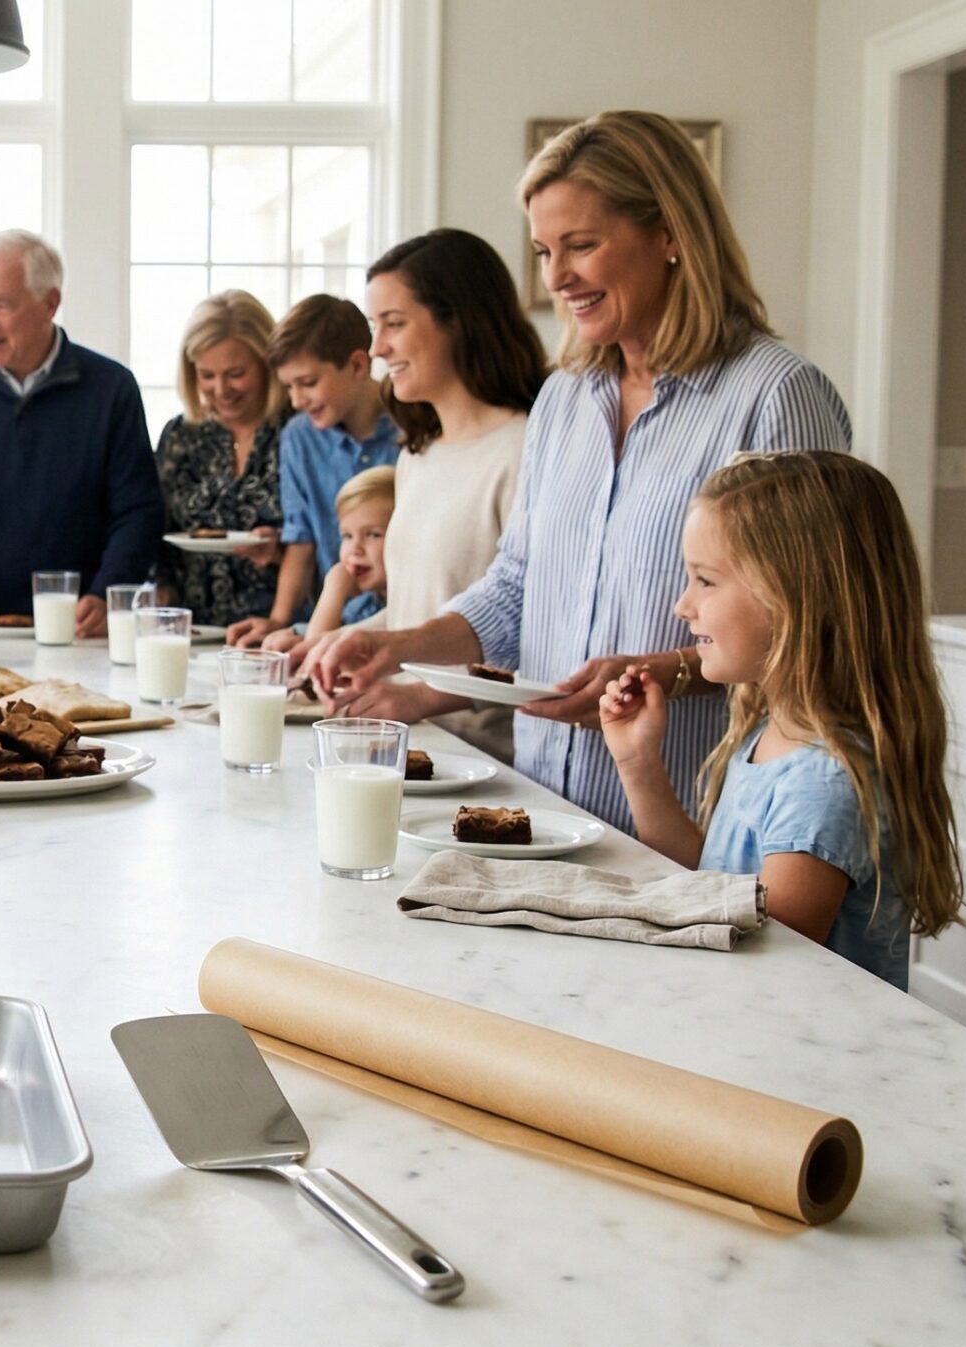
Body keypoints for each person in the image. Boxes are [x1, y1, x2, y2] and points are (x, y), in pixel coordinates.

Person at [310, 110, 851, 832]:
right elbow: (517, 586)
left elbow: (818, 630)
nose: (557, 277)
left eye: (582, 245)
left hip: (698, 821)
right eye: (543, 251)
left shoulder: (775, 395)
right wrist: (399, 647)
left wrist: (656, 673)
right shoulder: (564, 398)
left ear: (669, 234)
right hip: (542, 814)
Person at [598, 452, 960, 989]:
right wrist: (638, 764)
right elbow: (710, 886)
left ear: (794, 598)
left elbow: (765, 965)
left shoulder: (823, 783)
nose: (683, 605)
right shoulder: (776, 735)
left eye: (706, 581)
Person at [291, 229, 547, 761]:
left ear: (458, 321)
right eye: (374, 327)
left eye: (394, 324)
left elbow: (532, 631)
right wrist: (331, 646)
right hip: (405, 746)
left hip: (485, 761)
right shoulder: (417, 456)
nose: (377, 347)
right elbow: (417, 612)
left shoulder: (526, 449)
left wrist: (420, 697)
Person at [0, 230, 164, 633]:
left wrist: (107, 591)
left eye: (1, 305)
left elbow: (138, 512)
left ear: (50, 303)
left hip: (77, 628)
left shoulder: (112, 389)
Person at [226, 296, 398, 649]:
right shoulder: (299, 437)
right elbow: (300, 540)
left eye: (307, 382)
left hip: (400, 623)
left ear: (357, 364)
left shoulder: (412, 427)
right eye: (289, 386)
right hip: (329, 622)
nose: (297, 400)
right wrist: (278, 621)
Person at [151, 291, 287, 628]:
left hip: (280, 629)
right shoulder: (181, 435)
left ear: (267, 363)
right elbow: (158, 529)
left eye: (236, 373)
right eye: (207, 375)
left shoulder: (297, 431)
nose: (221, 389)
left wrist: (281, 550)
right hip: (191, 629)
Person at [299, 466, 392, 640]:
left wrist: (334, 589)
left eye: (373, 535)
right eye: (347, 536)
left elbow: (316, 645)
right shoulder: (364, 604)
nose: (356, 548)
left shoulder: (408, 606)